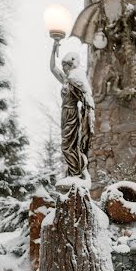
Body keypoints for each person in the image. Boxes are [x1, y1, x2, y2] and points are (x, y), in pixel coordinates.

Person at [50, 45, 95, 177]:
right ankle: (73, 170)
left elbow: (86, 96)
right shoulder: (65, 80)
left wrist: (87, 114)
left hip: (72, 114)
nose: (63, 68)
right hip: (64, 112)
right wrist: (54, 49)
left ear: (71, 65)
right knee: (66, 143)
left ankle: (76, 171)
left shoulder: (74, 80)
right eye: (63, 65)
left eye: (65, 65)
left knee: (67, 145)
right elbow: (52, 68)